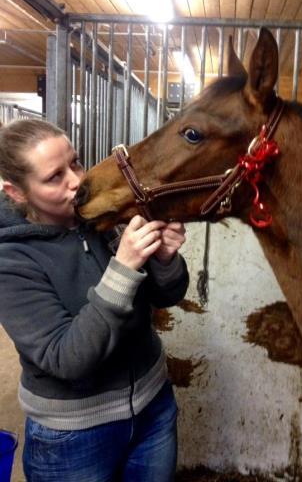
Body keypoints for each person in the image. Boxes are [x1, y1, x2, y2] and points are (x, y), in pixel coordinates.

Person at [0, 118, 189, 482]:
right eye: (54, 177)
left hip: (153, 409)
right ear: (17, 192)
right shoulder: (10, 260)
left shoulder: (102, 215)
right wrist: (124, 267)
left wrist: (164, 260)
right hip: (73, 436)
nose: (76, 181)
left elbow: (166, 296)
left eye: (75, 162)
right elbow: (67, 358)